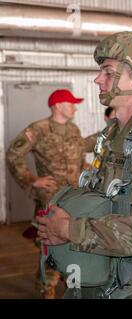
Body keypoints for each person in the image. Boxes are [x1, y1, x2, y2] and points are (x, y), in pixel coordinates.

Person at [36, 31, 132, 299]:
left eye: (108, 72)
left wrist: (69, 229)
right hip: (103, 272)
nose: (98, 79)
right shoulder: (111, 135)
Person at [6, 89, 88, 299]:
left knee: (73, 242)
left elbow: (79, 162)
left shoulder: (73, 130)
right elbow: (13, 154)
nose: (75, 107)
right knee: (50, 244)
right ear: (58, 105)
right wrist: (33, 181)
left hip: (75, 199)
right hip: (52, 200)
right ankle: (47, 287)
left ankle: (67, 280)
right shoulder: (38, 129)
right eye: (71, 104)